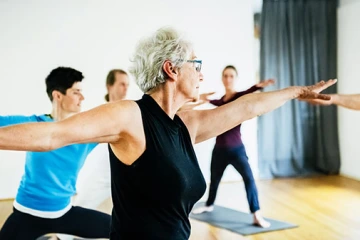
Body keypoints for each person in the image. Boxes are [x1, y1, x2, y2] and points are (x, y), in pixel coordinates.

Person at [0, 27, 336, 240]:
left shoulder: (187, 125)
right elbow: (51, 136)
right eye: (196, 64)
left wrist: (294, 92)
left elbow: (249, 107)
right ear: (171, 69)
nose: (202, 73)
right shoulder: (129, 115)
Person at [0, 67, 110, 240]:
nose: (82, 98)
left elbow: (121, 129)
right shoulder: (33, 125)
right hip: (26, 213)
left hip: (63, 212)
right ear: (58, 95)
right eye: (76, 92)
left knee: (120, 229)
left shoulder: (86, 132)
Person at [192, 65, 274, 228]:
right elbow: (215, 103)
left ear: (235, 78)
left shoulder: (238, 98)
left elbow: (247, 93)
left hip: (237, 150)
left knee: (249, 179)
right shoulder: (221, 101)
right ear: (222, 78)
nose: (228, 79)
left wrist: (258, 86)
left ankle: (256, 213)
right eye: (225, 76)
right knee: (214, 180)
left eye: (231, 76)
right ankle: (209, 205)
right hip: (219, 150)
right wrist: (204, 98)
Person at [57, 69, 129, 240]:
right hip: (101, 172)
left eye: (127, 85)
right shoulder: (99, 112)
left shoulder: (130, 111)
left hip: (123, 172)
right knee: (83, 207)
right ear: (109, 86)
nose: (125, 89)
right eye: (121, 84)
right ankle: (60, 237)